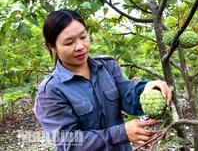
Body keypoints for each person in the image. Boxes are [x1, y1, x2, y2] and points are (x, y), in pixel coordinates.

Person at [34, 9, 172, 151]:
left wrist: (148, 90)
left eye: (83, 37)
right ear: (52, 47)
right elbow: (69, 141)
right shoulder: (50, 91)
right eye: (69, 43)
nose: (80, 47)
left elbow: (128, 95)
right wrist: (120, 133)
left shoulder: (107, 66)